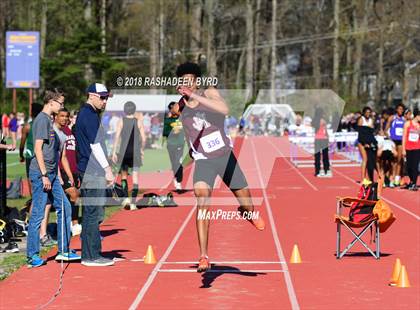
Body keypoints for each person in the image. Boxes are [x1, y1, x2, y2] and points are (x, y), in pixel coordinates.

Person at [174, 62, 265, 272]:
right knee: (202, 199)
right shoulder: (181, 105)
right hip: (203, 161)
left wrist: (195, 96)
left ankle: (247, 212)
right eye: (182, 81)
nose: (185, 85)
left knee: (248, 204)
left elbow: (225, 109)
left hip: (224, 156)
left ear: (196, 82)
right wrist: (190, 147)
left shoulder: (209, 92)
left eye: (189, 81)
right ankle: (203, 256)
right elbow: (187, 128)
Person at [26, 90, 80, 268]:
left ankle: (63, 249)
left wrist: (57, 176)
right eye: (60, 103)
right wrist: (43, 175)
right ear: (51, 102)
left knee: (64, 206)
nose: (62, 106)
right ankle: (32, 255)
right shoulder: (42, 119)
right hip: (41, 174)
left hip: (52, 174)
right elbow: (38, 149)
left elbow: (56, 153)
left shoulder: (49, 121)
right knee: (38, 214)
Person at [75, 83, 115, 267]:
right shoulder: (89, 115)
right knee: (92, 214)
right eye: (102, 97)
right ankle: (91, 256)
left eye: (106, 97)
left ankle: (90, 254)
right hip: (92, 169)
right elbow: (95, 145)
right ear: (91, 95)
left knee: (93, 213)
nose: (105, 101)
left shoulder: (88, 113)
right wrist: (107, 169)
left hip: (89, 168)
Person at [112, 101, 145, 208]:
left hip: (123, 152)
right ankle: (133, 203)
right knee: (135, 178)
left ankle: (126, 198)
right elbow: (144, 139)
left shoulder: (121, 121)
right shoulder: (138, 122)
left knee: (124, 176)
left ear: (124, 110)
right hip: (135, 152)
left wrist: (113, 152)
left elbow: (116, 137)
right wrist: (141, 150)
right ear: (134, 110)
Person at [54, 108, 82, 235]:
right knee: (74, 195)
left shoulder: (70, 131)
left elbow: (73, 152)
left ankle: (68, 222)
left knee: (73, 196)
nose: (65, 119)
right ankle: (74, 223)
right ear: (56, 117)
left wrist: (75, 171)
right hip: (62, 169)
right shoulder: (56, 131)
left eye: (67, 116)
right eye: (62, 116)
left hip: (73, 169)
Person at [163, 102, 185, 191]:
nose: (174, 109)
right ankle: (176, 178)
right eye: (172, 108)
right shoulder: (167, 121)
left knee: (178, 162)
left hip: (180, 144)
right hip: (170, 145)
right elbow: (164, 133)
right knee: (174, 163)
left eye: (175, 107)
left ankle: (179, 182)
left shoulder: (182, 119)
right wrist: (172, 132)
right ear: (170, 110)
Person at [385, 103, 405, 186]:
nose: (400, 110)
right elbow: (386, 130)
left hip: (400, 142)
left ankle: (397, 178)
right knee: (392, 160)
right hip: (393, 141)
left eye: (402, 109)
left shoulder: (404, 119)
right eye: (399, 109)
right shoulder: (392, 118)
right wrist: (389, 138)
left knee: (399, 160)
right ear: (396, 110)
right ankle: (389, 178)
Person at [357, 107, 377, 182]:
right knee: (365, 159)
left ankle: (369, 178)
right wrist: (364, 143)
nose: (368, 114)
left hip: (369, 142)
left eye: (369, 112)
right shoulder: (361, 119)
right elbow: (360, 132)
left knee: (370, 160)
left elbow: (371, 132)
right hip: (361, 142)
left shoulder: (371, 120)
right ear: (364, 113)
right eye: (367, 112)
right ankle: (363, 178)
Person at [402, 109, 419, 191]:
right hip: (408, 148)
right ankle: (412, 181)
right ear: (417, 116)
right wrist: (403, 149)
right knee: (408, 167)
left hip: (417, 148)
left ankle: (414, 183)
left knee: (415, 166)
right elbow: (404, 136)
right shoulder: (407, 124)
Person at [313, 107, 331, 177]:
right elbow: (325, 130)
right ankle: (326, 169)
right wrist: (328, 137)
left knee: (317, 156)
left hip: (317, 139)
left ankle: (317, 171)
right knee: (325, 155)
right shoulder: (323, 120)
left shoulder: (314, 120)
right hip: (324, 139)